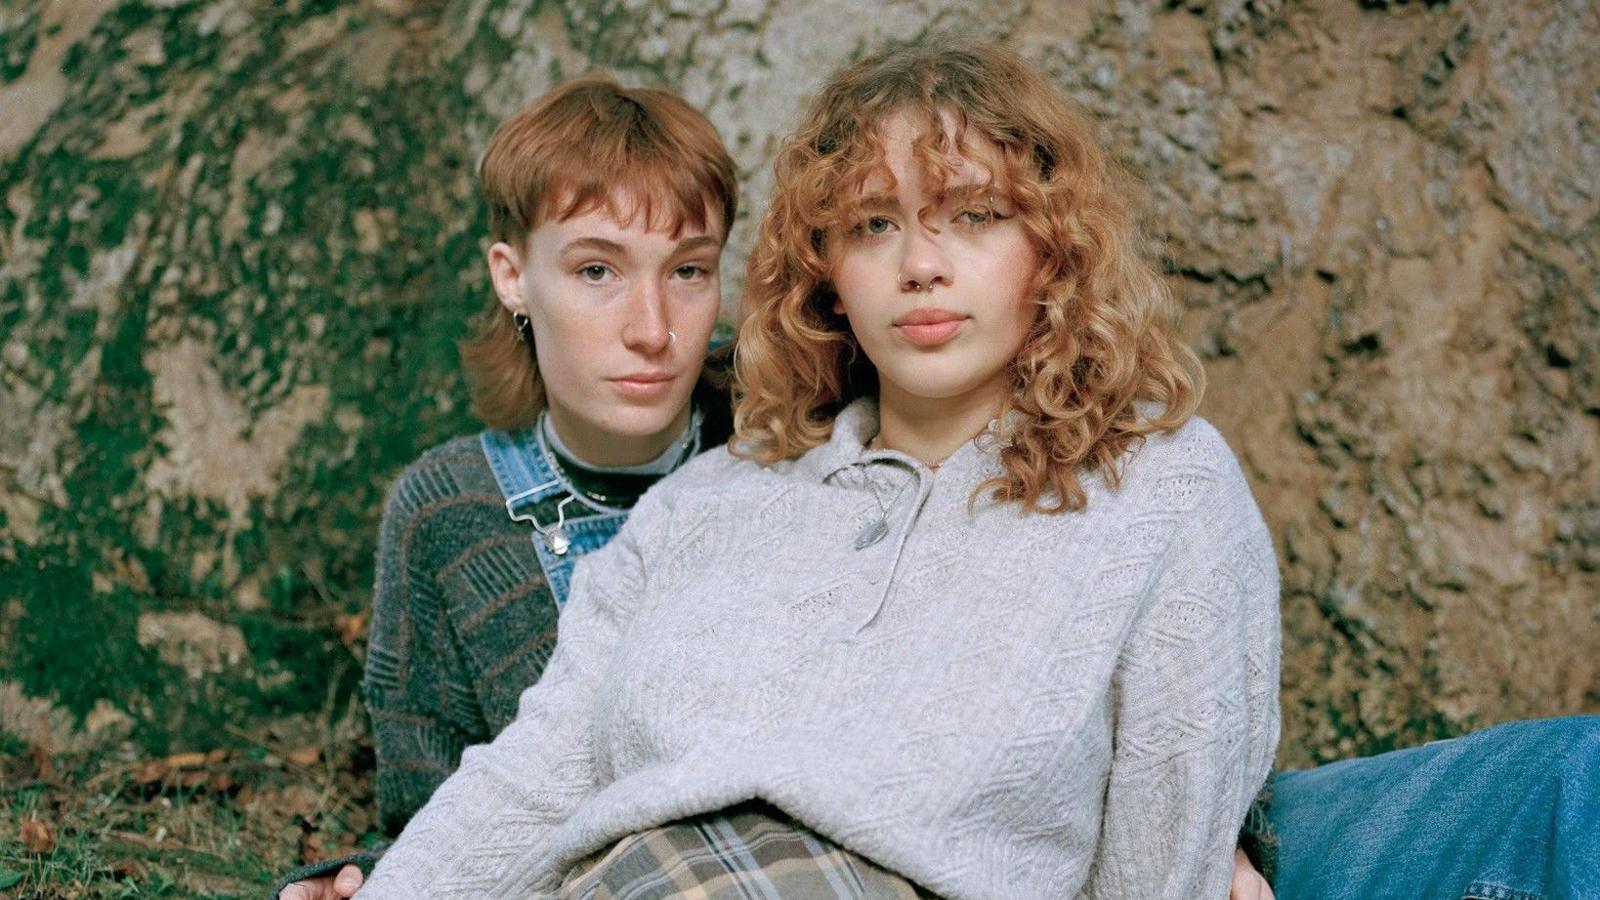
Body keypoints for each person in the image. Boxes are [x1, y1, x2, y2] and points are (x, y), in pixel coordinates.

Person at [353, 39, 1282, 898]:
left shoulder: (1162, 489)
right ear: (825, 265)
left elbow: (1173, 815)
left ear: (1054, 250)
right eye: (875, 225)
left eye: (976, 216)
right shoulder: (722, 490)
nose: (921, 264)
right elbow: (538, 771)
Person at [276, 74, 738, 899]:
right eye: (598, 271)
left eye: (689, 272)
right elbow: (432, 812)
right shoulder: (447, 512)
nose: (654, 329)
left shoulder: (789, 440)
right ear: (512, 276)